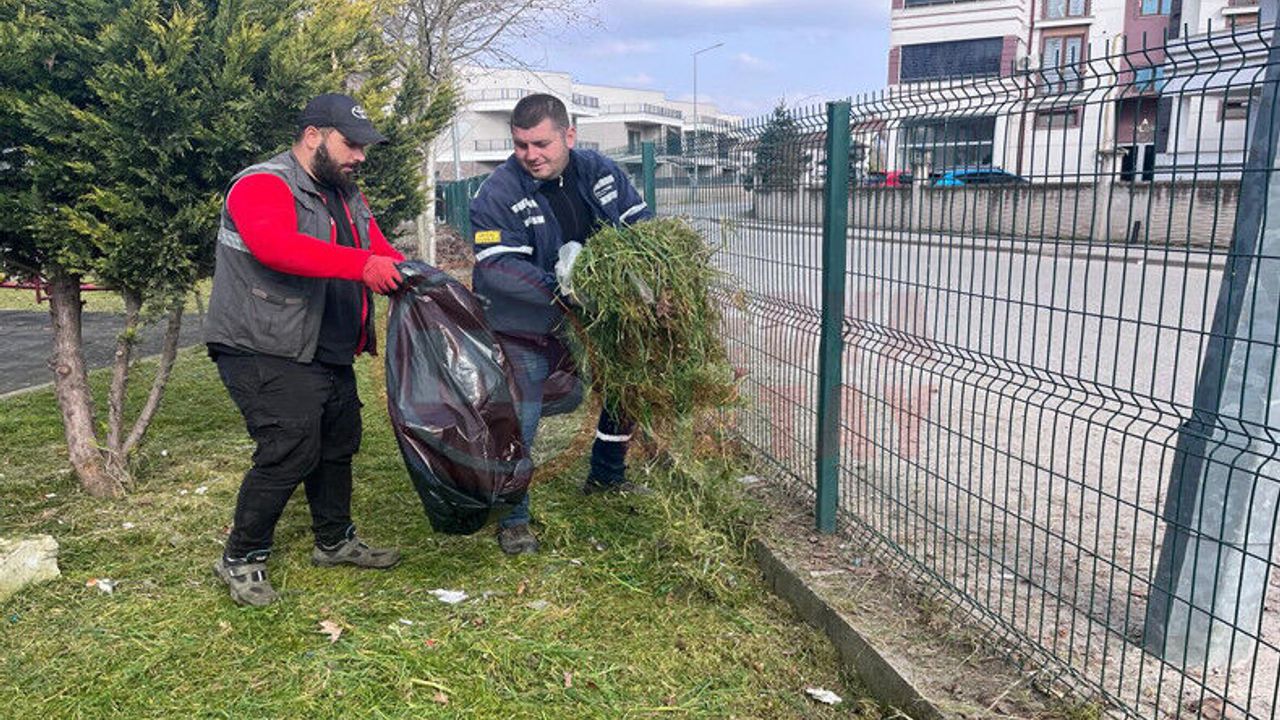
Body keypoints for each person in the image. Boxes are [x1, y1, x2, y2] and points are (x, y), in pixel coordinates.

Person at [204, 93, 406, 606]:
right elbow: (277, 246)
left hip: (324, 345)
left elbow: (377, 247)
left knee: (338, 440)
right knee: (290, 446)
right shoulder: (262, 184)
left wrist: (415, 277)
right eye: (351, 144)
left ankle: (334, 541)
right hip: (262, 343)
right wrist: (361, 266)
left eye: (364, 147)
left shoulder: (347, 193)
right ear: (313, 135)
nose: (360, 156)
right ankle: (241, 557)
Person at [469, 93, 654, 555]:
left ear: (569, 136)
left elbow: (642, 227)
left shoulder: (600, 172)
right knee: (522, 415)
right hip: (524, 322)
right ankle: (513, 518)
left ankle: (607, 476)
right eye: (520, 145)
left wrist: (650, 277)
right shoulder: (498, 192)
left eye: (541, 144)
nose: (530, 155)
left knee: (626, 387)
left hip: (598, 312)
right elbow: (497, 268)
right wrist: (563, 288)